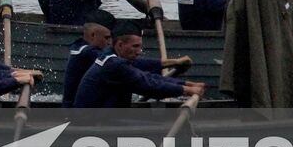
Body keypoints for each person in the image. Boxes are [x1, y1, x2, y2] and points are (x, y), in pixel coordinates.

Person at [72, 20, 204, 108]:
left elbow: (148, 77)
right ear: (120, 45)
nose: (139, 51)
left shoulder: (110, 55)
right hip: (92, 125)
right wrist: (187, 91)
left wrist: (186, 85)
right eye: (135, 46)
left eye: (140, 47)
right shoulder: (115, 65)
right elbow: (149, 86)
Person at [61, 10, 117, 108]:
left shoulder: (79, 46)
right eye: (107, 38)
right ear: (92, 35)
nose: (110, 43)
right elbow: (113, 61)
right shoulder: (86, 52)